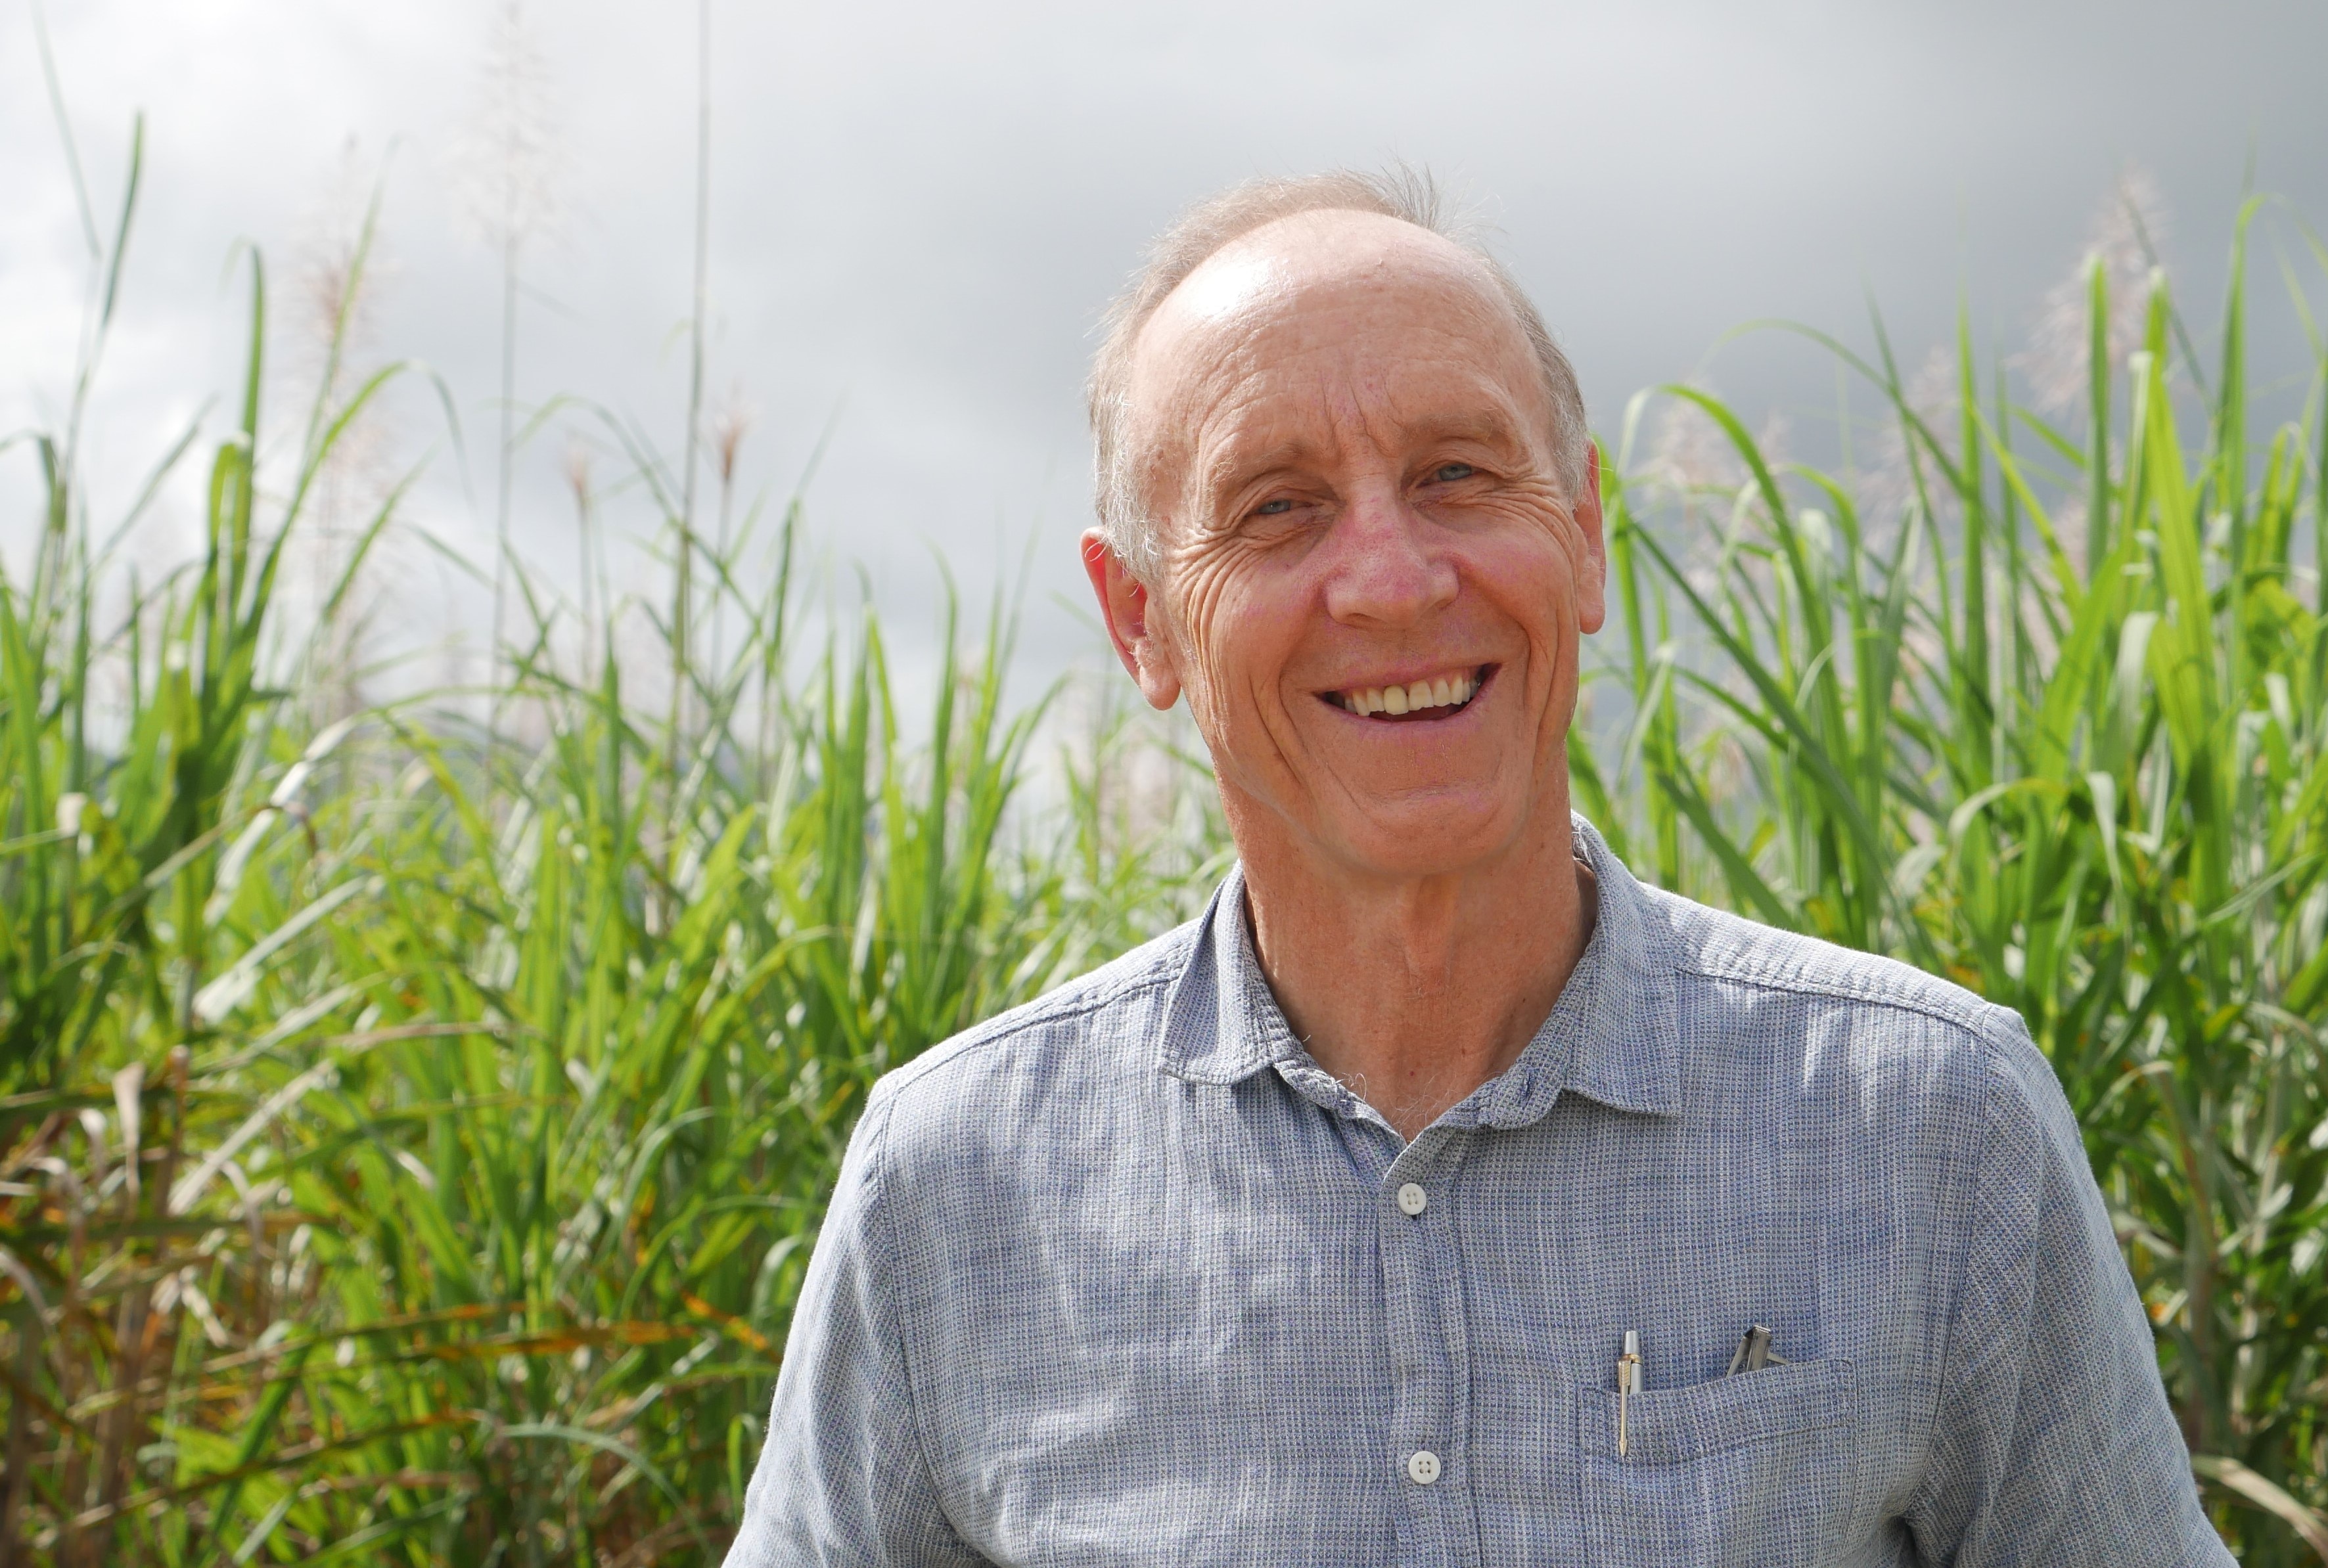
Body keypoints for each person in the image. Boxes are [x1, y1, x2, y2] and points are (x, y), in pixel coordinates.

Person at [726, 169, 2235, 1567]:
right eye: (1277, 508)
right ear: (1141, 625)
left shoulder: (1929, 1124)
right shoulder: (951, 1190)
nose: (1390, 579)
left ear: (1581, 537)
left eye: (1456, 473)